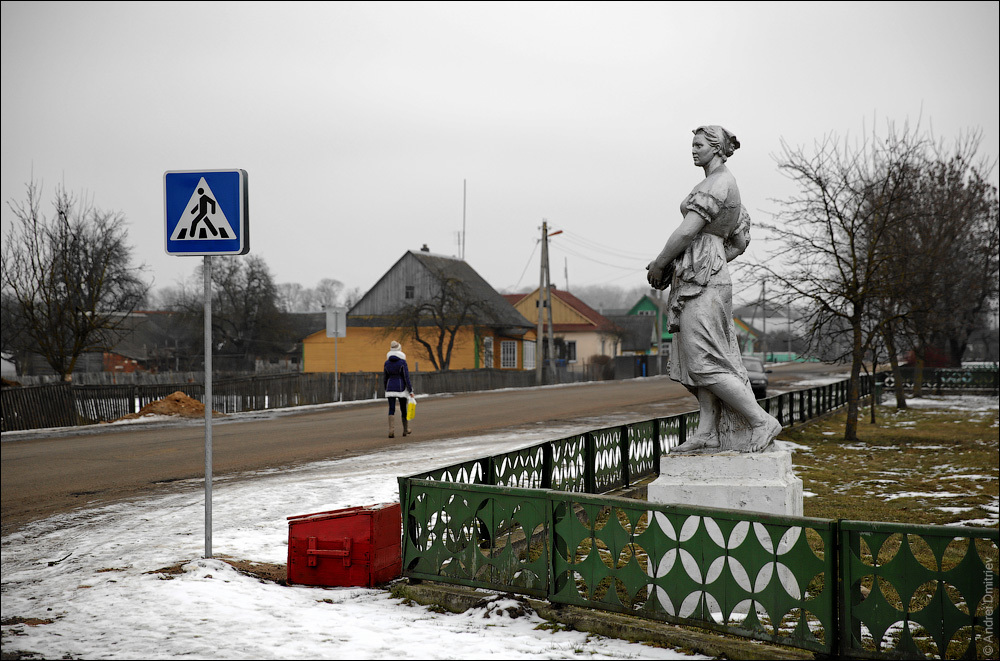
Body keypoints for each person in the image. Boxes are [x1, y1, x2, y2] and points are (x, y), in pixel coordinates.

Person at [646, 125, 781, 453]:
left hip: (704, 282)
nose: (693, 150)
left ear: (717, 149)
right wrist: (713, 257)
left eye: (699, 145)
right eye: (692, 145)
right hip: (700, 276)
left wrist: (661, 263)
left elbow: (686, 232)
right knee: (696, 359)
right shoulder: (717, 183)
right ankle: (708, 430)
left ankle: (761, 420)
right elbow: (740, 239)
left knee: (705, 360)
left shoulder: (720, 182)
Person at [383, 340, 414, 438]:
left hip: (390, 387)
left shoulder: (387, 363)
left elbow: (385, 377)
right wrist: (410, 390)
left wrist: (386, 388)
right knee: (403, 409)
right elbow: (406, 377)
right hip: (401, 388)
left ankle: (391, 431)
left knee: (391, 409)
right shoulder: (402, 362)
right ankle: (405, 430)